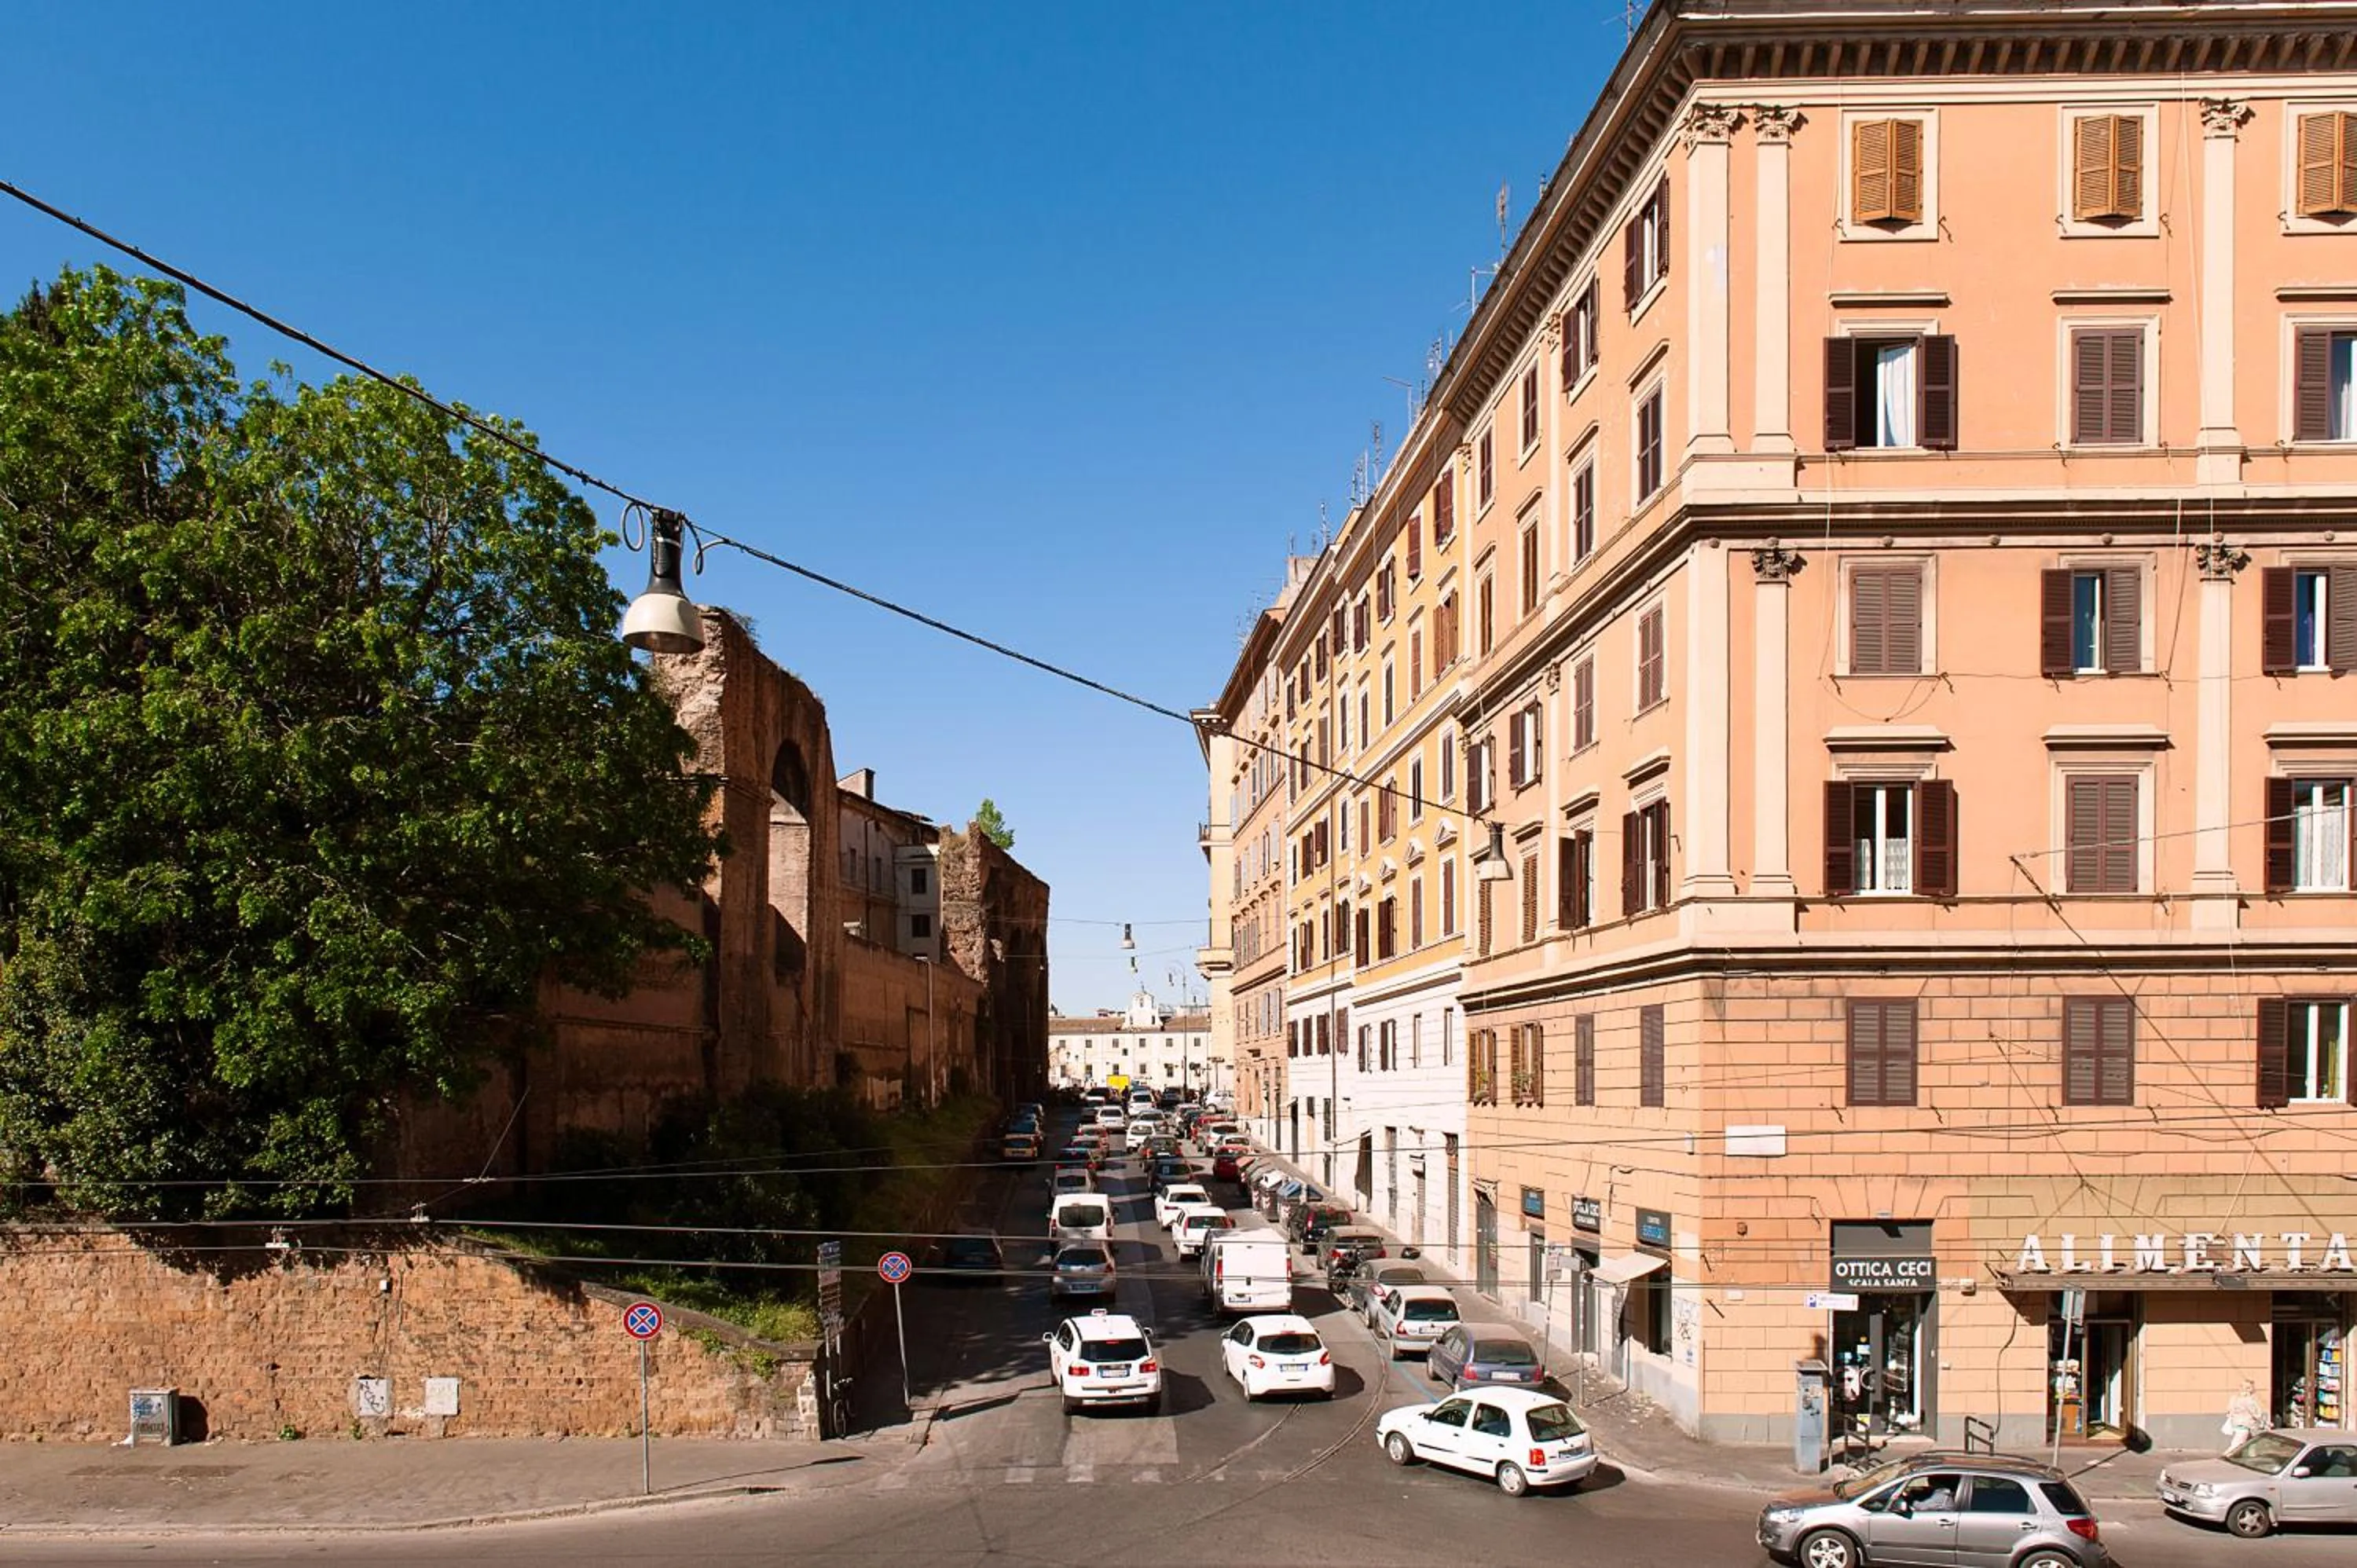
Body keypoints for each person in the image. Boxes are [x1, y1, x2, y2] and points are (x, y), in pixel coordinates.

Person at [2223, 1379, 2265, 1450]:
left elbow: (2228, 1411)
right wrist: (2262, 1420)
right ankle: (2224, 1458)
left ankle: (2250, 1458)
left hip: (2236, 1424)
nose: (2254, 1389)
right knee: (2236, 1446)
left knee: (2250, 1443)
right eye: (2252, 1387)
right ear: (2248, 1389)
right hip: (2245, 1425)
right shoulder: (2248, 1400)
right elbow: (2255, 1414)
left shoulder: (2234, 1398)